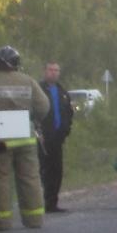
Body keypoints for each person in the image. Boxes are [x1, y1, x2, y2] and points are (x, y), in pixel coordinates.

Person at [0, 46, 50, 231]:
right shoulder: (28, 81)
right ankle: (34, 219)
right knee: (30, 177)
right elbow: (43, 106)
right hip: (25, 137)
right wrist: (33, 119)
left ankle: (0, 221)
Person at [39, 61, 75, 213]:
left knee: (57, 171)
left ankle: (52, 203)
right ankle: (41, 201)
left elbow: (69, 112)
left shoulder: (62, 91)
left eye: (56, 70)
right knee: (43, 170)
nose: (53, 73)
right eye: (50, 70)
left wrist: (66, 129)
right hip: (42, 138)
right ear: (45, 71)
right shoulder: (39, 89)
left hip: (58, 138)